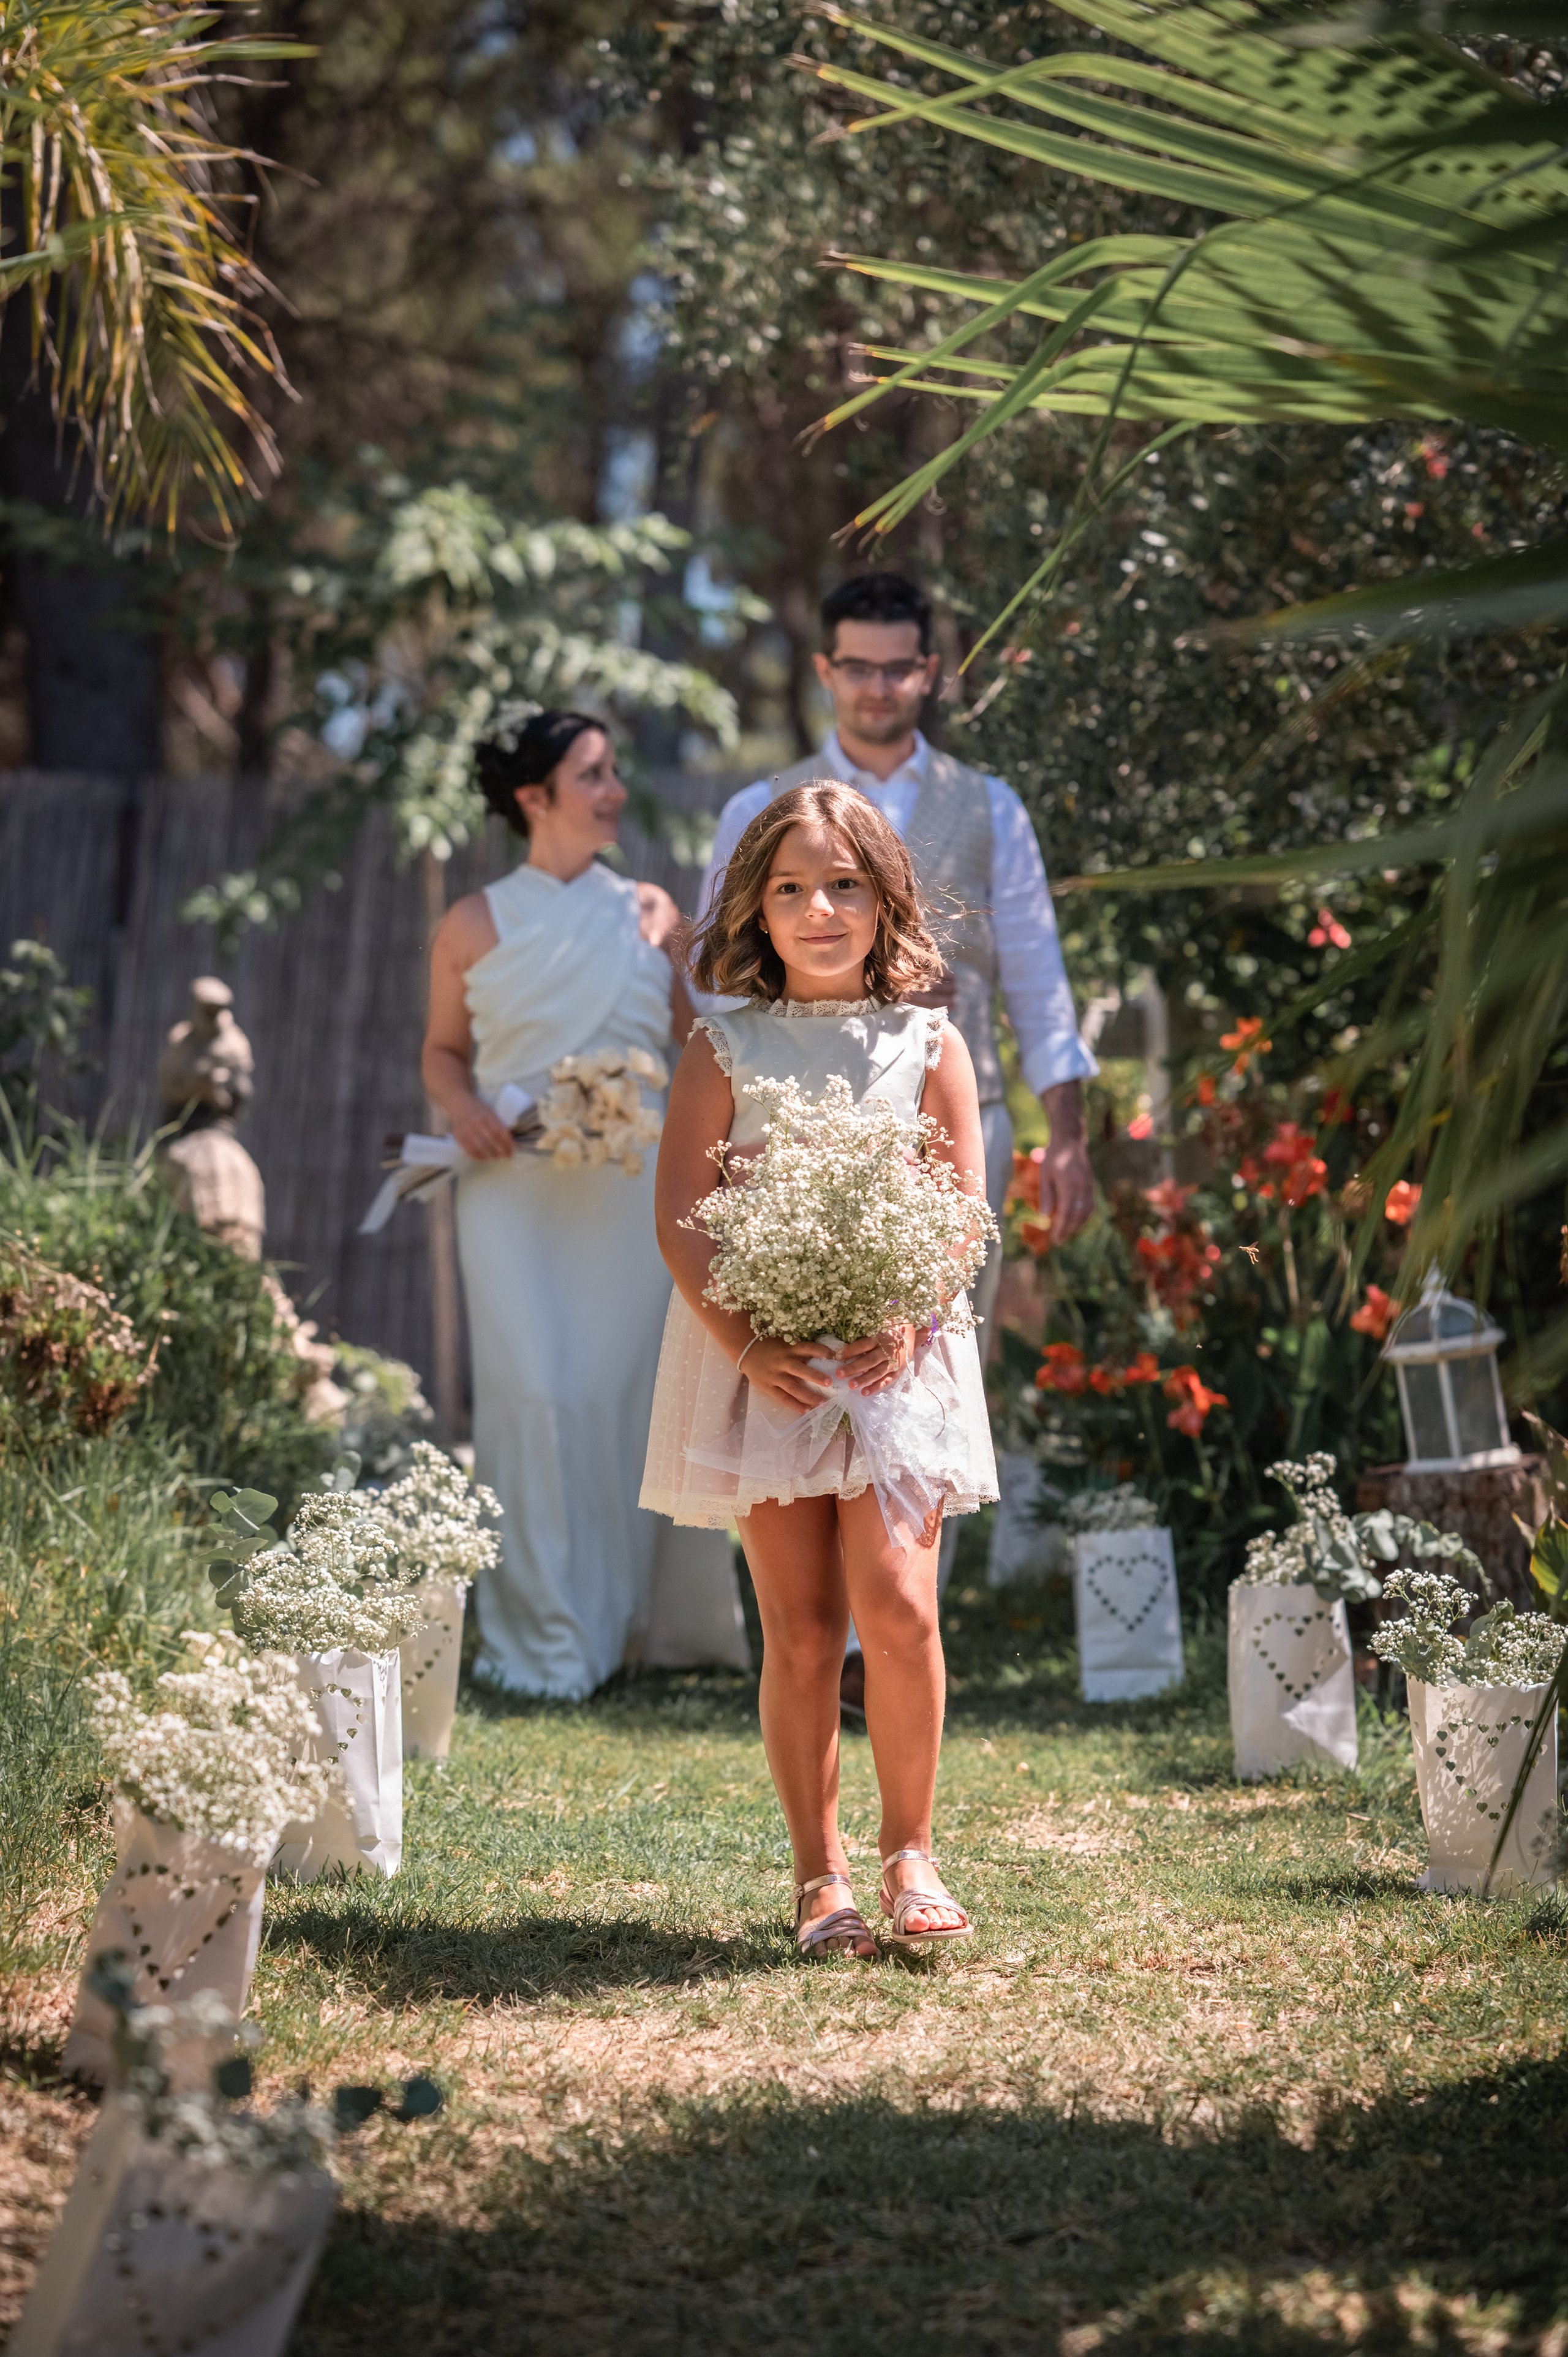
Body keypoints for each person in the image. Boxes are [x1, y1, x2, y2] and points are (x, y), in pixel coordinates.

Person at [691, 572, 1098, 1699]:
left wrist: (1067, 1139)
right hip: (789, 1145)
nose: (879, 687)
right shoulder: (758, 809)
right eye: (857, 666)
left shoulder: (991, 806)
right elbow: (711, 988)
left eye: (900, 666)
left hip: (950, 1120)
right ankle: (814, 1627)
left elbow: (1039, 982)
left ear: (931, 671)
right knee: (801, 1373)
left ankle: (894, 1630)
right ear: (826, 673)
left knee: (922, 1358)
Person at [643, 781, 997, 1956]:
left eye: (844, 884)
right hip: (770, 1367)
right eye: (791, 889)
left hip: (902, 1361)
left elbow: (961, 1209)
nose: (820, 909)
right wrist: (749, 1341)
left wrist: (915, 1308)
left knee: (897, 1607)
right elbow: (685, 1216)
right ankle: (820, 1875)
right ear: (755, 908)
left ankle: (912, 1852)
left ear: (886, 897)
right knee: (800, 1626)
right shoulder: (724, 1042)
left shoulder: (929, 1040)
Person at [421, 708, 748, 1699]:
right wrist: (466, 1106)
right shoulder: (472, 921)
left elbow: (703, 1058)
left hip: (629, 1195)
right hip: (511, 1192)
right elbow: (440, 1053)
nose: (615, 791)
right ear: (535, 797)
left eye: (613, 773)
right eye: (594, 775)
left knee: (621, 1399)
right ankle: (547, 1639)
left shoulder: (655, 914)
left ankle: (641, 1626)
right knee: (534, 1396)